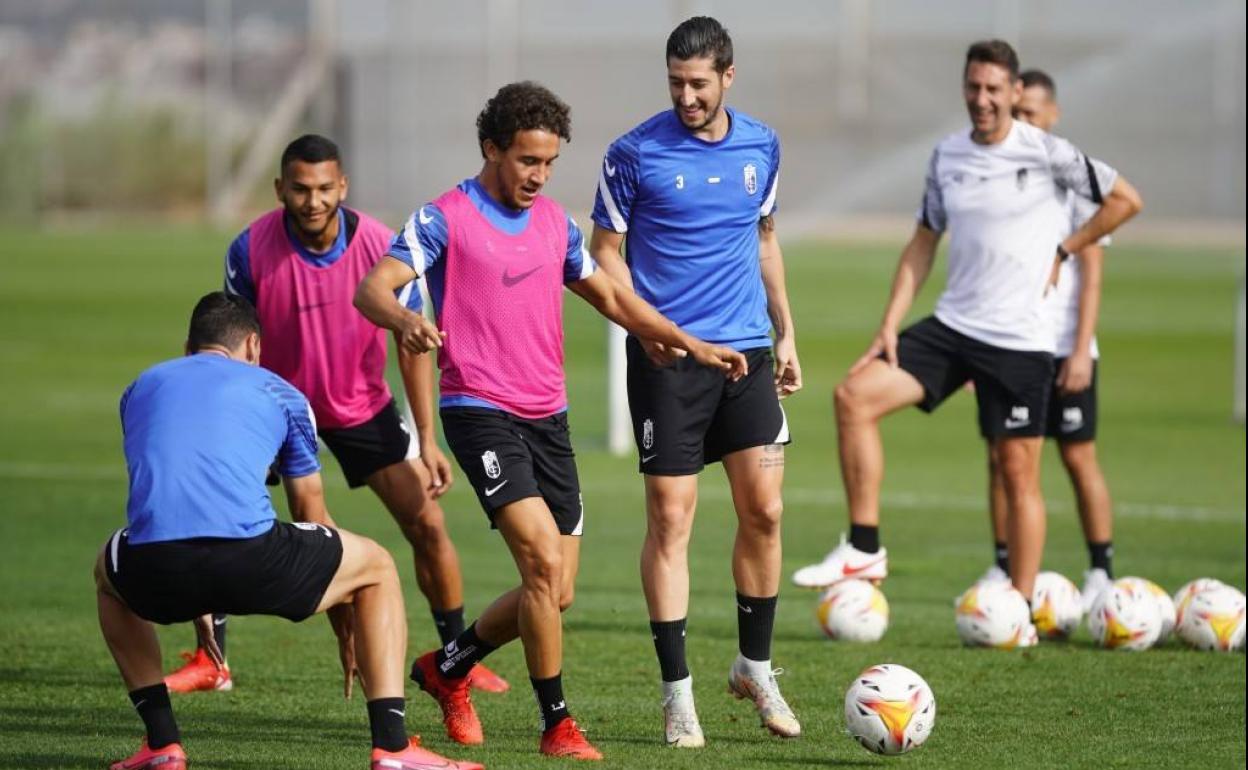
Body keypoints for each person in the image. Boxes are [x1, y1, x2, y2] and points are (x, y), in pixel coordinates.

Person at [354, 81, 748, 761]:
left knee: (555, 590)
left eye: (548, 163)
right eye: (527, 161)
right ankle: (557, 723)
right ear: (491, 148)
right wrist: (407, 320)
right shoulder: (443, 217)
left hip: (549, 419)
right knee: (538, 559)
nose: (538, 176)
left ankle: (446, 667)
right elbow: (372, 289)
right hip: (478, 411)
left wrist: (690, 342)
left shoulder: (557, 226)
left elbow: (614, 299)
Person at [790, 41, 1141, 630]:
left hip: (1021, 342)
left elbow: (1126, 200)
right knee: (853, 396)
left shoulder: (1049, 153)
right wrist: (887, 324)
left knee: (1017, 472)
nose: (982, 99)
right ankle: (865, 545)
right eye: (974, 88)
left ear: (1011, 93)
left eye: (993, 90)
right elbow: (923, 242)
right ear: (965, 88)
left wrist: (1067, 247)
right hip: (953, 328)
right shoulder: (946, 156)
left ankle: (1020, 612)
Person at [165, 135, 508, 695]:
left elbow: (411, 340)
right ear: (280, 188)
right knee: (214, 518)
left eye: (325, 188)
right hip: (272, 408)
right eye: (299, 189)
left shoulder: (380, 244)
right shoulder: (248, 249)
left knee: (428, 523)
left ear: (343, 186)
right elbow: (230, 348)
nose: (313, 200)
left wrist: (427, 438)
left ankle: (456, 656)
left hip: (360, 406)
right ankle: (213, 660)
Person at [96, 292, 482, 770]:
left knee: (107, 572)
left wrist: (195, 599)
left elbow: (167, 495)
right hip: (254, 561)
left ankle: (161, 744)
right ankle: (394, 748)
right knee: (377, 566)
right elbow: (310, 510)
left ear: (187, 348)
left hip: (157, 565)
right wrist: (343, 616)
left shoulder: (139, 389)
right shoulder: (279, 391)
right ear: (254, 346)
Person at [589, 16, 802, 747]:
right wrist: (651, 328)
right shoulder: (633, 153)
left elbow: (765, 240)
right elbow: (604, 254)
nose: (686, 96)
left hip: (747, 356)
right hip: (668, 363)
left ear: (728, 77)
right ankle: (678, 695)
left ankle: (754, 667)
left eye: (699, 83)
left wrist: (788, 331)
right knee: (672, 521)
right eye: (676, 82)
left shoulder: (762, 145)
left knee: (765, 512)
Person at [977, 69, 1116, 610]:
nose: (1026, 121)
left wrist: (1080, 349)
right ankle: (1003, 562)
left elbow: (1094, 272)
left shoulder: (1072, 179)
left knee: (1078, 458)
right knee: (1000, 457)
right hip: (1006, 345)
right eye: (1021, 112)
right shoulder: (1002, 178)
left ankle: (1101, 568)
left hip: (1061, 347)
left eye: (1035, 113)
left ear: (1052, 115)